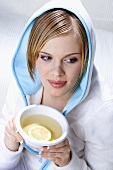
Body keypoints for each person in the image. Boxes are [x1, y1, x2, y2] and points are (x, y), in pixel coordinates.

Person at [0, 0, 113, 169]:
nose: (57, 72)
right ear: (33, 55)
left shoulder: (101, 110)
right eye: (46, 57)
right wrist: (9, 144)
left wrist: (68, 162)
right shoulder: (24, 83)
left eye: (70, 60)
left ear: (85, 61)